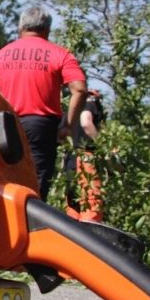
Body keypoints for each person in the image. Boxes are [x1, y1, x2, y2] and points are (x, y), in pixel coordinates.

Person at [0, 6, 87, 197]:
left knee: (6, 183)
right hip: (41, 128)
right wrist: (68, 126)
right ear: (47, 29)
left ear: (20, 28)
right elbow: (79, 89)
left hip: (5, 127)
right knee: (36, 185)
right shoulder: (60, 54)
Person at [62, 89, 105, 221]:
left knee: (72, 205)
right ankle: (90, 231)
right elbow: (86, 121)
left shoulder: (70, 106)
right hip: (86, 157)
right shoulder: (91, 100)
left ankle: (72, 232)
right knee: (91, 202)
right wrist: (102, 146)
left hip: (70, 158)